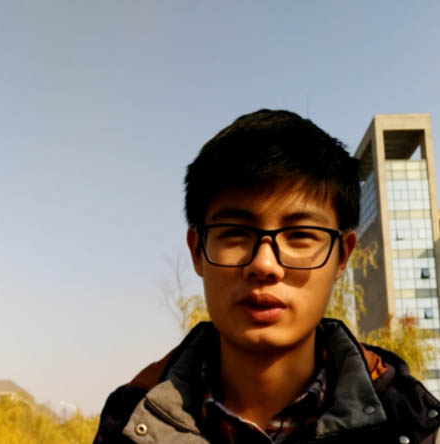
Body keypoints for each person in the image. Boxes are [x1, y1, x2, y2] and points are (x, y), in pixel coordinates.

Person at [94, 110, 440, 443]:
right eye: (235, 233)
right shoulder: (128, 427)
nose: (264, 265)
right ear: (197, 251)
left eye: (300, 235)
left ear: (342, 256)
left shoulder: (414, 425)